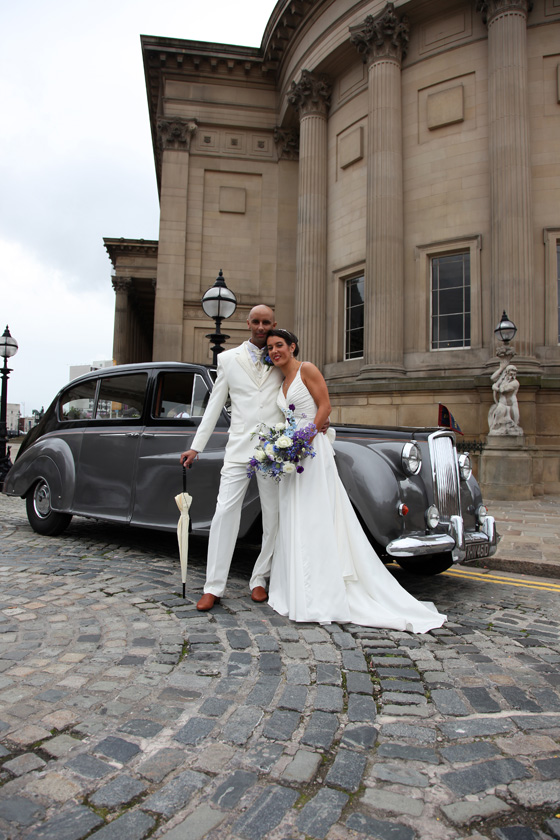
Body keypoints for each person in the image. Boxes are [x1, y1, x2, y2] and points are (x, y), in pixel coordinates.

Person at [262, 328, 447, 632]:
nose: (274, 351)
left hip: (312, 452)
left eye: (279, 345)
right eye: (270, 348)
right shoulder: (280, 381)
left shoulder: (307, 369)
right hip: (292, 456)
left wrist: (304, 439)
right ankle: (298, 589)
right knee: (295, 516)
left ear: (292, 346)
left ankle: (323, 591)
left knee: (316, 515)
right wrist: (284, 445)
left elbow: (325, 407)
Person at [180, 304, 283, 611]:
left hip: (273, 450)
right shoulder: (227, 359)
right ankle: (213, 586)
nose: (261, 327)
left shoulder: (281, 357)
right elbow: (214, 405)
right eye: (256, 321)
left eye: (267, 322)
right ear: (248, 323)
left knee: (273, 516)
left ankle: (260, 578)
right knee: (224, 513)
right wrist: (196, 446)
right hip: (238, 449)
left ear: (273, 324)